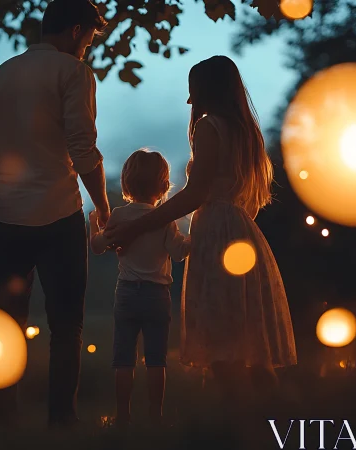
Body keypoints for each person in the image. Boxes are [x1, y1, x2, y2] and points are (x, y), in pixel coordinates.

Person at [103, 56, 297, 404]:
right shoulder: (245, 134)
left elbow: (197, 192)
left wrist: (138, 226)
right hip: (243, 232)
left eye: (193, 92)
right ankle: (270, 420)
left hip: (218, 236)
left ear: (208, 90)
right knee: (252, 344)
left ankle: (236, 428)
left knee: (224, 341)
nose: (190, 101)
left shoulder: (209, 127)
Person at [0, 0, 109, 427]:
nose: (88, 47)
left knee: (4, 323)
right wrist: (103, 205)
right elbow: (82, 147)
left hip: (4, 219)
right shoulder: (74, 73)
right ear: (75, 31)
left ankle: (0, 417)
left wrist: (6, 186)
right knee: (66, 327)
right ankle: (61, 421)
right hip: (58, 218)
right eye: (89, 38)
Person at [89, 149, 190, 427]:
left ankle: (123, 416)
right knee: (156, 359)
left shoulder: (119, 215)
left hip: (126, 294)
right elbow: (179, 252)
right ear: (163, 185)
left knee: (123, 358)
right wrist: (197, 235)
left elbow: (98, 247)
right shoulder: (165, 219)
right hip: (157, 296)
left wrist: (92, 225)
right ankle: (155, 416)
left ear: (126, 182)